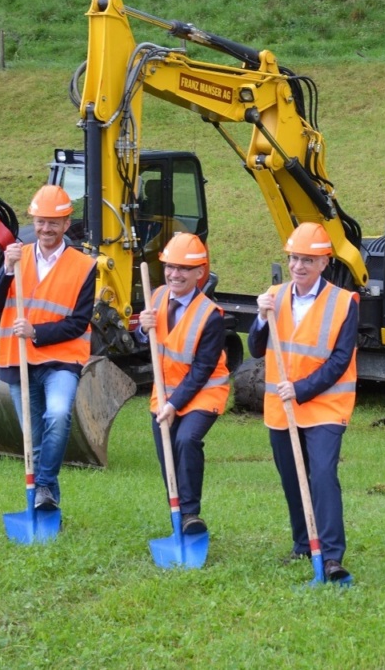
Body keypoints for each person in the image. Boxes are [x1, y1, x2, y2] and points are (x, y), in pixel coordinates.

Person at [247, 222, 358, 582]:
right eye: (294, 258)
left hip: (325, 406)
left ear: (324, 262)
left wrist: (303, 388)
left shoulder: (344, 303)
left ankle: (330, 557)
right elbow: (254, 348)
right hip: (282, 408)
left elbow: (340, 361)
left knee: (323, 475)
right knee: (292, 478)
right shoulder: (274, 296)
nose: (299, 266)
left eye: (308, 260)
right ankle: (303, 544)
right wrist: (260, 319)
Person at [0, 184, 97, 511]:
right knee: (32, 442)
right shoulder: (16, 257)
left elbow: (79, 322)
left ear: (66, 224)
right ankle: (46, 507)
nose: (45, 228)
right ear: (33, 222)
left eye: (53, 222)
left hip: (61, 360)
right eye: (40, 221)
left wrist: (36, 332)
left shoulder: (83, 266)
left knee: (58, 414)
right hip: (17, 360)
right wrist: (6, 270)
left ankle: (44, 485)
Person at [136, 233, 229, 535]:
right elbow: (147, 341)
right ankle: (177, 515)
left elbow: (202, 370)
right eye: (170, 267)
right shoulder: (158, 296)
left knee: (185, 441)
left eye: (184, 269)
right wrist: (141, 330)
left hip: (202, 393)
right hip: (164, 393)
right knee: (167, 455)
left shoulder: (211, 317)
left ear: (200, 272)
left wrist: (175, 405)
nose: (175, 274)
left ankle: (190, 515)